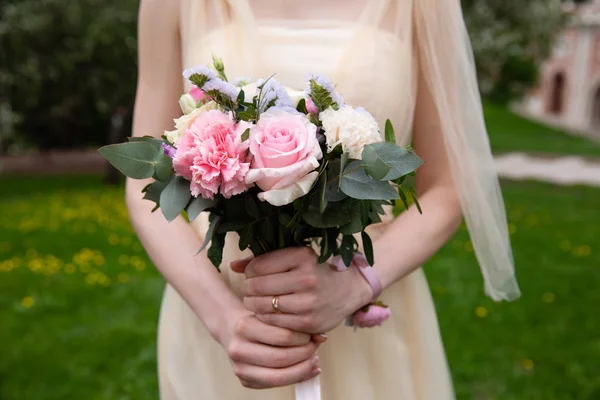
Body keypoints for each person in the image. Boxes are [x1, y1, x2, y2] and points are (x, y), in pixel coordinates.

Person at [127, 0, 521, 399]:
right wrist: (228, 321)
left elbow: (449, 186)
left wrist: (356, 284)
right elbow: (144, 184)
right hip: (223, 316)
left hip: (363, 317)